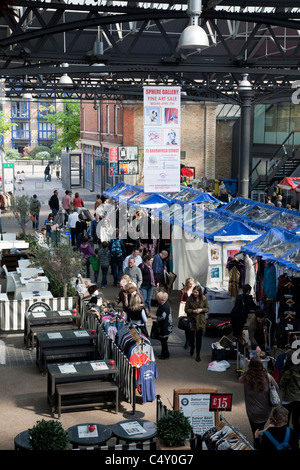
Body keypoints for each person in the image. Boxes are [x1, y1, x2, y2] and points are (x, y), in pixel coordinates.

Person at [239, 356, 279, 445]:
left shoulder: (246, 378)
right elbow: (276, 387)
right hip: (265, 410)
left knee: (255, 431)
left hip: (252, 412)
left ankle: (257, 444)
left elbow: (240, 379)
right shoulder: (268, 377)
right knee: (261, 429)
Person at [185, 285, 209, 362]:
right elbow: (186, 309)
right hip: (192, 320)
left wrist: (201, 310)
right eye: (194, 292)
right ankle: (192, 347)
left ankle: (198, 354)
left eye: (196, 292)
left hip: (200, 321)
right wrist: (193, 311)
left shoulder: (204, 298)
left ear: (199, 292)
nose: (195, 293)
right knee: (192, 338)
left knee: (199, 338)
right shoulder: (190, 299)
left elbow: (207, 309)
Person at [280, 349, 300, 441]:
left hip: (288, 399)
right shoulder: (298, 370)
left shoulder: (288, 373)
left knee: (285, 420)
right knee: (296, 421)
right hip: (298, 398)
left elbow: (282, 384)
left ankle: (286, 438)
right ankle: (296, 439)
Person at [151, 291, 173, 360]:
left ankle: (165, 354)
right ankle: (164, 353)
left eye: (158, 298)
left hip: (165, 327)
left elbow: (163, 317)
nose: (157, 299)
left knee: (164, 342)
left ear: (161, 299)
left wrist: (155, 317)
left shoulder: (164, 307)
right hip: (166, 326)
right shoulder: (166, 304)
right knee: (163, 341)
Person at [179, 277, 195, 349]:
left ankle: (192, 342)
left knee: (193, 328)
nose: (191, 285)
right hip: (186, 311)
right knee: (187, 327)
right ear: (187, 284)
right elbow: (181, 301)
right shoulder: (183, 291)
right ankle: (187, 342)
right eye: (189, 284)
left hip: (194, 311)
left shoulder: (195, 291)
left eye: (192, 284)